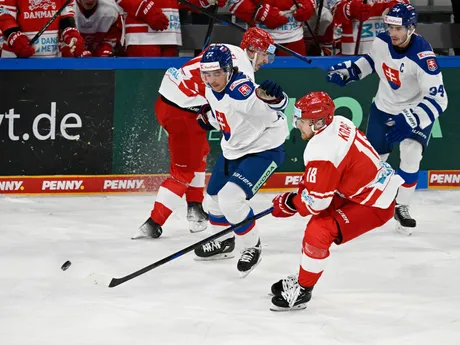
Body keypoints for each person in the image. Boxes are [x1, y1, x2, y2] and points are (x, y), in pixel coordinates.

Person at [132, 28, 278, 239]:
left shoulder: (228, 48)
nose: (266, 60)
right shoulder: (242, 72)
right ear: (253, 49)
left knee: (201, 152)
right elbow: (230, 109)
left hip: (170, 101)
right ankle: (153, 223)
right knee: (183, 172)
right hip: (182, 115)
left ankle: (195, 208)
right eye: (265, 54)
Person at [269, 91, 403, 311]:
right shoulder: (339, 122)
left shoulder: (322, 149)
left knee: (319, 230)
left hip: (374, 203)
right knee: (317, 225)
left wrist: (291, 203)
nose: (297, 126)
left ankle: (303, 290)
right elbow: (323, 181)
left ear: (318, 122)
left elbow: (316, 203)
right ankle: (304, 276)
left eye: (301, 121)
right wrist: (297, 197)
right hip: (362, 190)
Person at [326, 3, 448, 235]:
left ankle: (402, 206)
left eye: (398, 28)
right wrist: (350, 72)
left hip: (414, 111)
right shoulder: (382, 41)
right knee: (373, 161)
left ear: (411, 28)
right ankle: (363, 203)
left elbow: (439, 100)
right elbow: (372, 62)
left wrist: (412, 119)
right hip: (384, 108)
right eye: (389, 27)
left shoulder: (424, 57)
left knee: (411, 153)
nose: (392, 33)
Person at [194, 44, 289, 277]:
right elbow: (226, 115)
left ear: (228, 70)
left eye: (216, 73)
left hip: (264, 148)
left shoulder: (241, 90)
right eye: (207, 74)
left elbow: (271, 107)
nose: (212, 79)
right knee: (213, 199)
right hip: (234, 149)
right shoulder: (210, 89)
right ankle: (224, 241)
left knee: (230, 199)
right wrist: (210, 120)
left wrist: (276, 99)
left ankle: (251, 246)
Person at [0, 0, 91, 57]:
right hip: (15, 62)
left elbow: (66, 16)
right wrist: (15, 38)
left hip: (52, 60)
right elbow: (5, 15)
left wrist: (71, 35)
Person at [229, 0, 316, 55]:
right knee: (259, 76)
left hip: (294, 42)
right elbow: (232, 1)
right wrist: (258, 12)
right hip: (261, 42)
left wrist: (308, 6)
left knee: (296, 76)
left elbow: (311, 2)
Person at [331, 0, 409, 55]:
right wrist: (350, 8)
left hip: (388, 51)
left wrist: (396, 8)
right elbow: (334, 10)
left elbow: (406, 6)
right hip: (353, 52)